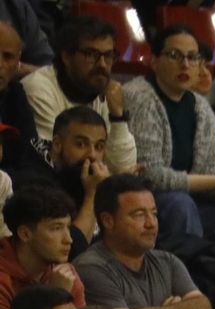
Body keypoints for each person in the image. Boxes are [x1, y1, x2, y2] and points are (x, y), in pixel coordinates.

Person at [123, 25, 215, 271]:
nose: (185, 65)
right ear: (154, 61)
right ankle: (190, 288)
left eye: (193, 58)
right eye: (175, 56)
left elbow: (213, 171)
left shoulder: (200, 107)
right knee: (181, 204)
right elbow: (150, 176)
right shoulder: (139, 96)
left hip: (187, 199)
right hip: (145, 199)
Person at [74, 174, 213, 309]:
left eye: (154, 214)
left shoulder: (167, 261)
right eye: (139, 215)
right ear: (108, 220)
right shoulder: (92, 267)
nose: (151, 224)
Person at [21, 17, 136, 176]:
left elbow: (124, 169)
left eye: (108, 55)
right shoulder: (40, 89)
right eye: (91, 54)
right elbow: (54, 161)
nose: (102, 64)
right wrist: (109, 174)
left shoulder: (100, 89)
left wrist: (118, 117)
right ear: (67, 56)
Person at [0, 183, 83, 309]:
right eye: (56, 228)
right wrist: (55, 297)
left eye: (68, 227)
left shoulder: (64, 274)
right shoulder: (2, 280)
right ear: (25, 234)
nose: (69, 239)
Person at [41, 106, 109, 253]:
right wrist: (92, 195)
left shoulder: (90, 178)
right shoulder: (37, 182)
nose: (92, 155)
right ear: (58, 144)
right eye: (81, 144)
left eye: (99, 146)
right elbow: (71, 250)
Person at [0, 20, 53, 190]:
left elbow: (36, 162)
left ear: (18, 62)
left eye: (7, 57)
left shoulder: (15, 94)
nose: (0, 64)